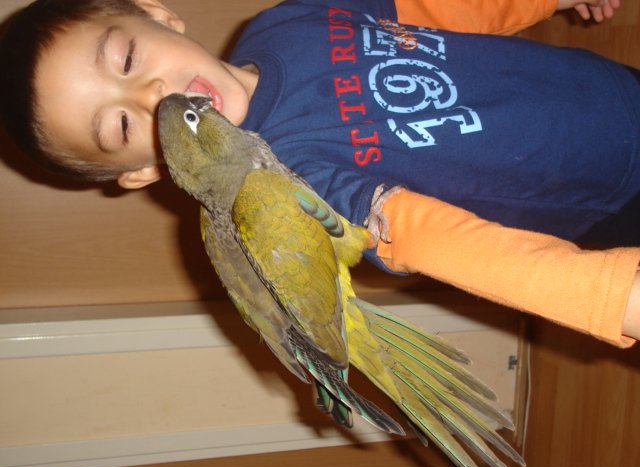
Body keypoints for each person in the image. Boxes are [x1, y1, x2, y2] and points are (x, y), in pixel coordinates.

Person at [0, 0, 639, 346]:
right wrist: (609, 297)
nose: (155, 96)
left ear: (158, 15)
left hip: (609, 91)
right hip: (610, 196)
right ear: (144, 170)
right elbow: (434, 241)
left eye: (128, 58)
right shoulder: (286, 190)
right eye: (122, 125)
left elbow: (436, 11)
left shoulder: (284, 22)